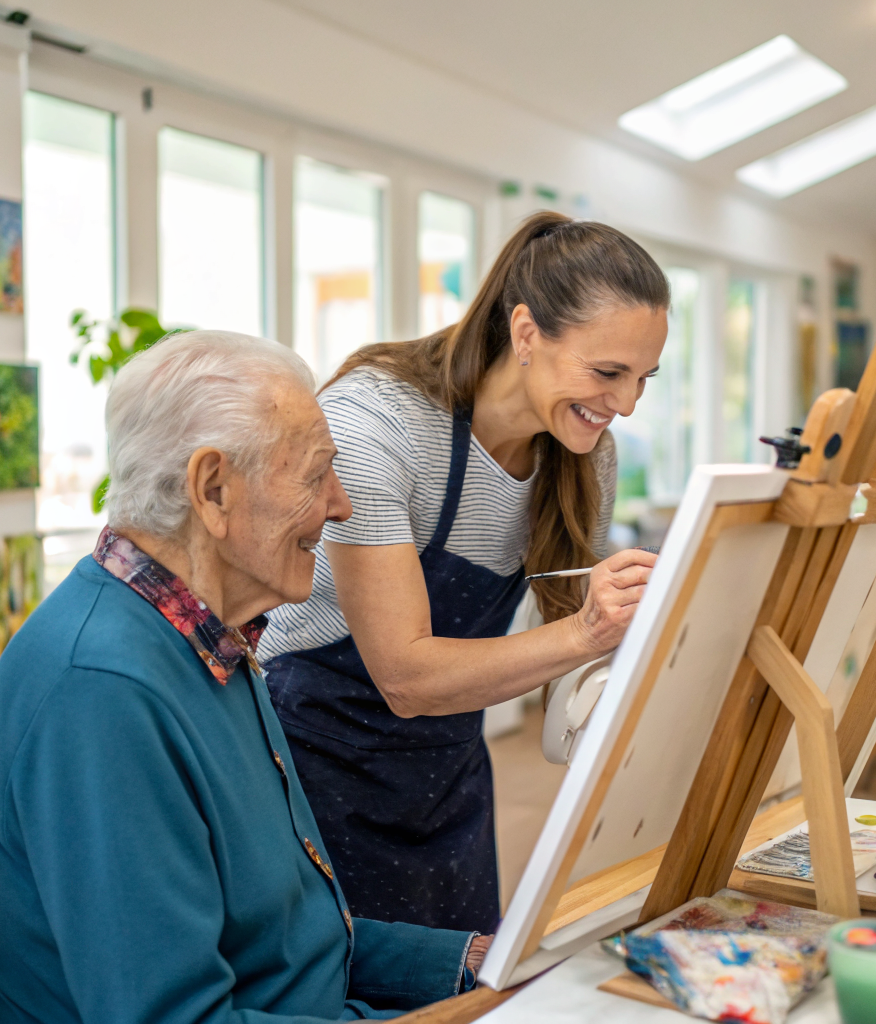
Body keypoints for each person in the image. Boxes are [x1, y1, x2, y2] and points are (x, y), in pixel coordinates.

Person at [0, 331, 489, 1023]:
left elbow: (289, 941)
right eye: (315, 474)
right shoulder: (101, 693)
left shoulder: (207, 642)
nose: (340, 505)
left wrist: (466, 964)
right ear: (212, 489)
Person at [259, 212, 669, 934]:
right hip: (316, 764)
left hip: (447, 774)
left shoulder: (580, 456)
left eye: (643, 378)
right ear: (525, 332)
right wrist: (588, 630)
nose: (627, 404)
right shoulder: (377, 423)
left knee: (459, 983)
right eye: (607, 373)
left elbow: (559, 664)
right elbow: (406, 677)